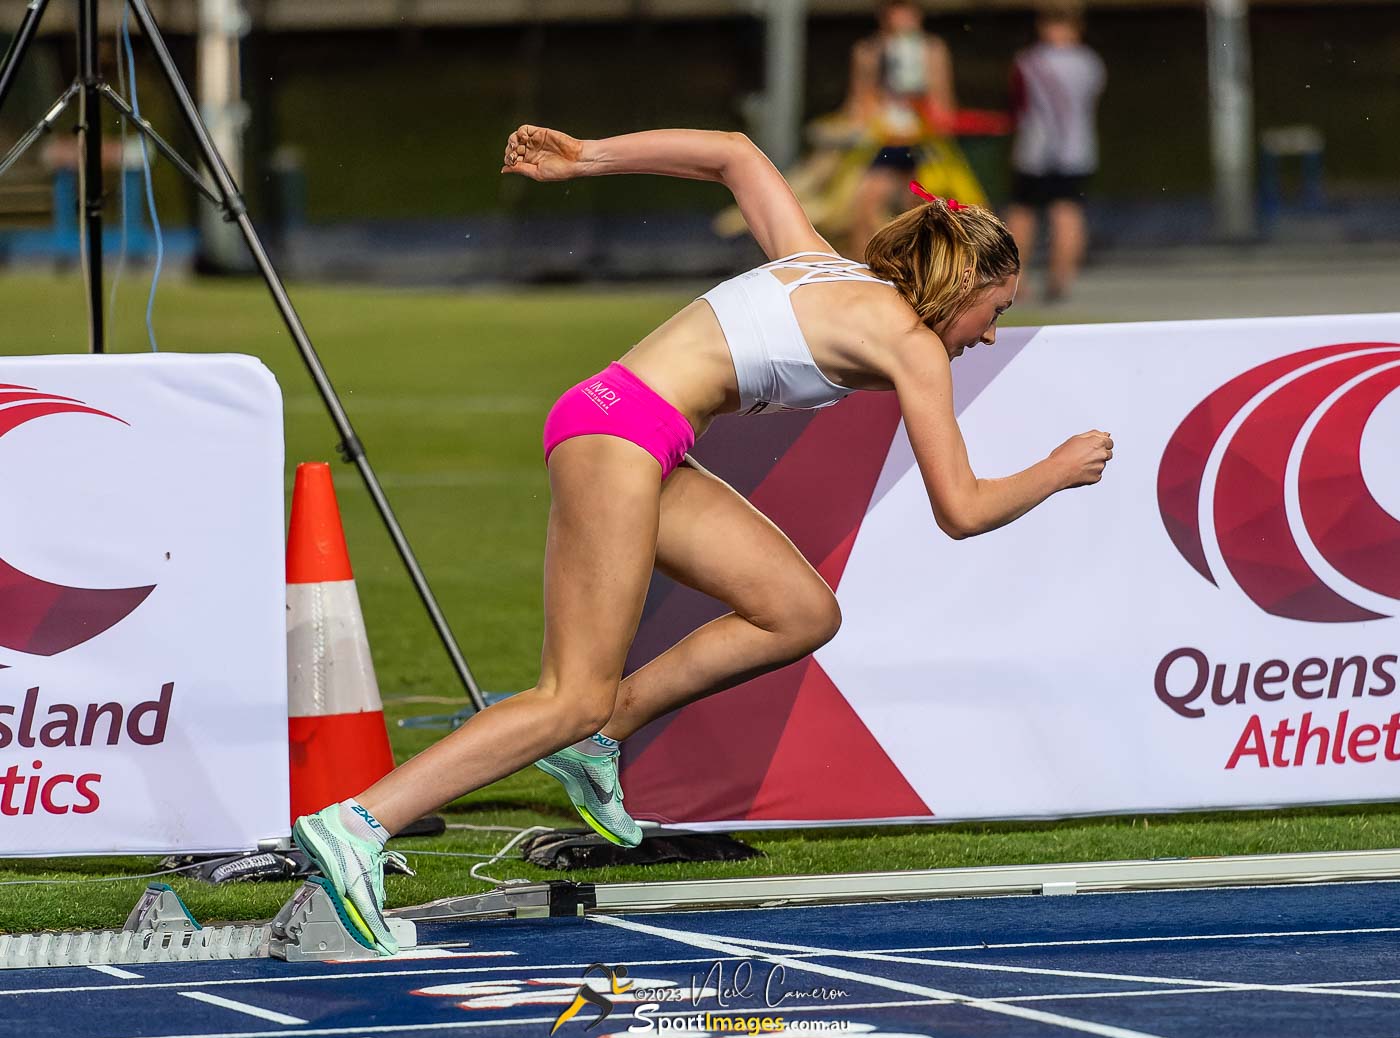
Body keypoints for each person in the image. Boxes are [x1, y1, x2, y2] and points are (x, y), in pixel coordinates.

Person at [292, 124, 1114, 956]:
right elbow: (962, 509)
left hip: (631, 433)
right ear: (964, 283)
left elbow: (734, 154)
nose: (990, 334)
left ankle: (599, 736)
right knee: (569, 690)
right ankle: (359, 824)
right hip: (620, 439)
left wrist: (587, 159)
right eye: (997, 310)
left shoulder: (824, 263)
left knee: (797, 612)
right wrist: (1055, 468)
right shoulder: (911, 342)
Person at [1004, 3, 1107, 303]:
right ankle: (1061, 279)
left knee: (1023, 212)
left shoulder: (1028, 60)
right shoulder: (1090, 62)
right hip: (1076, 149)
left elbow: (1017, 103)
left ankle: (1014, 282)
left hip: (1035, 149)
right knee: (1068, 211)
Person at [844, 0, 958, 261]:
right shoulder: (869, 50)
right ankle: (866, 268)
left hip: (923, 138)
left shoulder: (931, 48)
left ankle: (922, 269)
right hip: (886, 138)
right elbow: (860, 100)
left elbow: (943, 100)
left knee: (924, 207)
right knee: (865, 203)